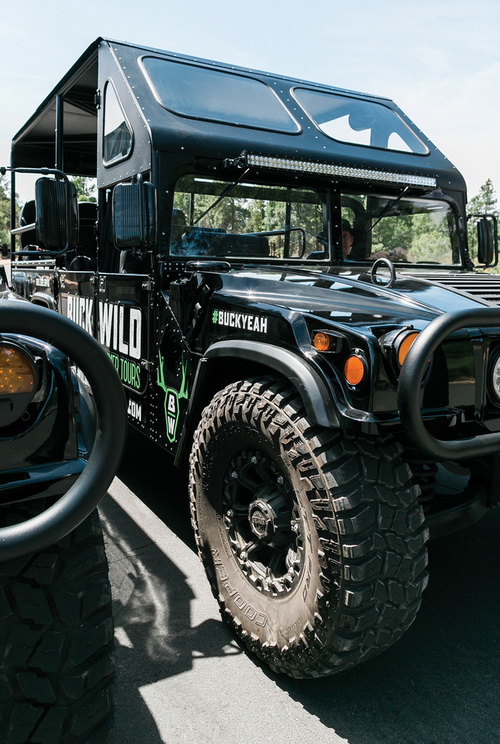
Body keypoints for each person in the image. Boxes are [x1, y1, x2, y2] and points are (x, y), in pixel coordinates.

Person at [342, 218, 407, 262]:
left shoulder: (353, 262)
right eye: (335, 236)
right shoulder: (334, 266)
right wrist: (372, 260)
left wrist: (391, 257)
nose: (341, 241)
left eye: (344, 236)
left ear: (351, 239)